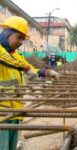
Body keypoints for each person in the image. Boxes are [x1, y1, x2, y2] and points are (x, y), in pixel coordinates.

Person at [0, 16, 59, 150]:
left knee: (11, 147)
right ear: (7, 33)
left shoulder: (15, 54)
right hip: (2, 113)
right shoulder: (4, 53)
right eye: (18, 37)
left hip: (15, 111)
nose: (21, 42)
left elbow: (29, 68)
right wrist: (26, 68)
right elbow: (11, 62)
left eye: (23, 39)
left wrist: (46, 73)